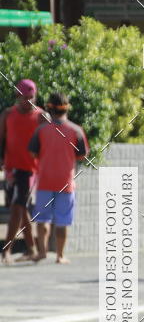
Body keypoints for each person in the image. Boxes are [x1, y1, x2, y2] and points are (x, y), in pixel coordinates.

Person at [28, 91, 89, 264]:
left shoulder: (41, 130)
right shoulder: (76, 131)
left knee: (42, 219)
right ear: (67, 108)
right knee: (63, 220)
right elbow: (82, 155)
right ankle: (60, 256)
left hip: (44, 182)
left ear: (49, 108)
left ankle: (42, 253)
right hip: (66, 183)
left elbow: (32, 152)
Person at [0, 79, 45, 263]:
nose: (29, 101)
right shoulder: (7, 115)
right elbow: (1, 139)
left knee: (18, 207)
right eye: (25, 98)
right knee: (19, 208)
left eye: (31, 98)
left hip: (31, 170)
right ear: (17, 96)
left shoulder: (41, 116)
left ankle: (6, 252)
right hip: (11, 169)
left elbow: (48, 142)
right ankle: (30, 249)